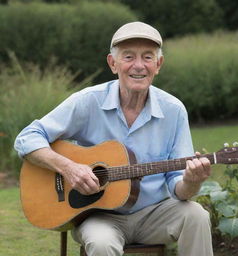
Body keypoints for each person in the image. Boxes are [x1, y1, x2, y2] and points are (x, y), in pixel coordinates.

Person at [14, 21, 213, 256]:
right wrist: (68, 168)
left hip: (153, 214)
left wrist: (191, 181)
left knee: (197, 215)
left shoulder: (174, 110)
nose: (139, 66)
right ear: (113, 63)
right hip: (99, 217)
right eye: (129, 57)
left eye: (147, 57)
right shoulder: (88, 101)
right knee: (101, 243)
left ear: (158, 65)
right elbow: (26, 138)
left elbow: (179, 189)